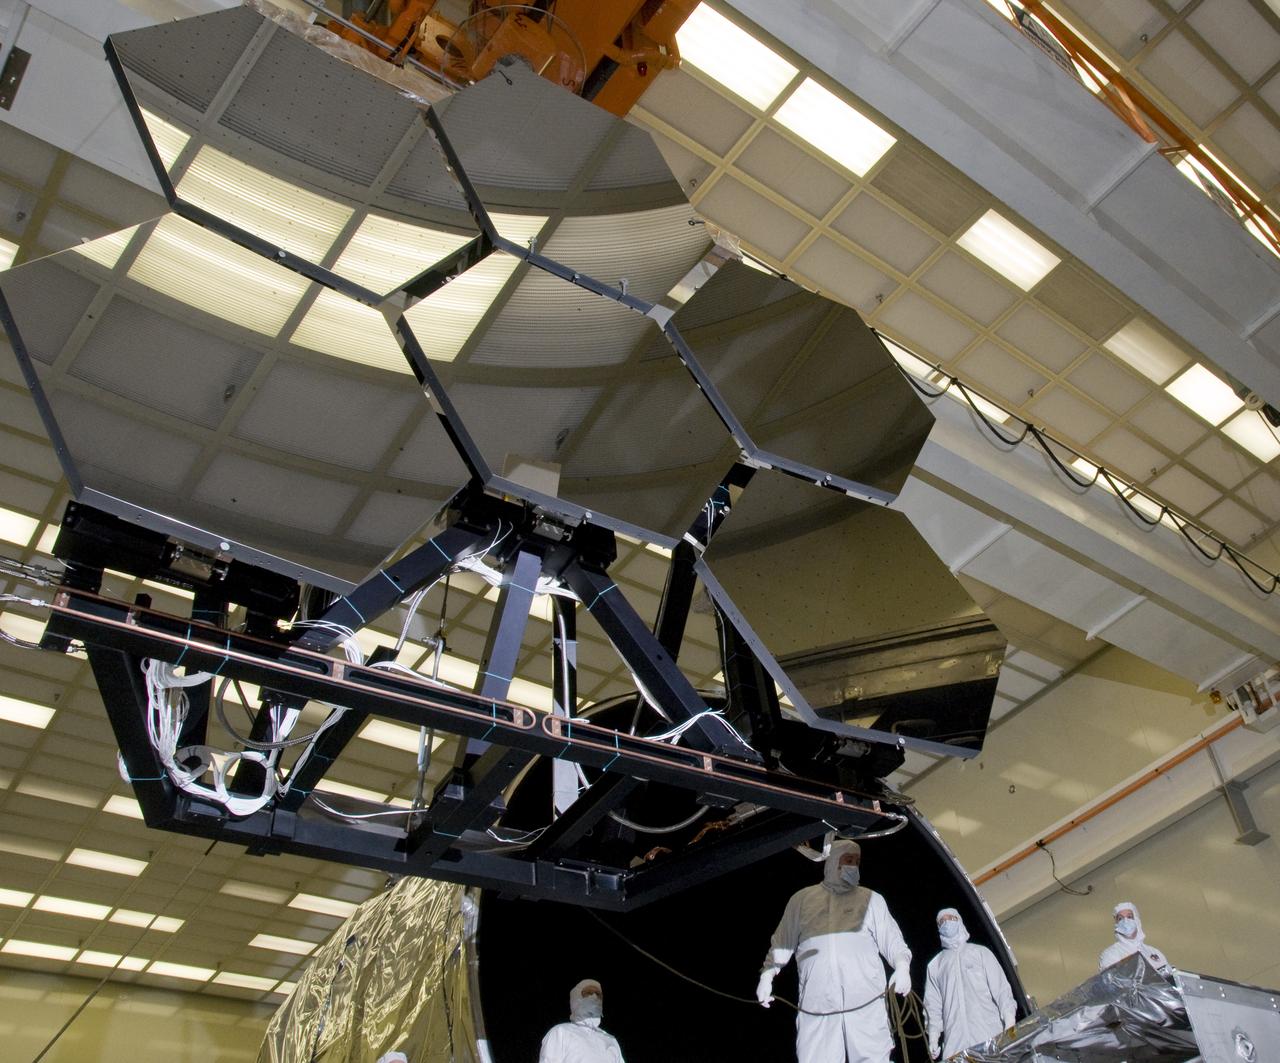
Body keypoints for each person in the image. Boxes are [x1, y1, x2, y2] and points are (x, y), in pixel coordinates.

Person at [756, 839, 912, 1063]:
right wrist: (768, 974)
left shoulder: (871, 900)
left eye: (857, 862)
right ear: (833, 864)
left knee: (874, 1056)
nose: (853, 866)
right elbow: (783, 941)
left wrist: (902, 966)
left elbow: (893, 940)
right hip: (818, 1002)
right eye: (848, 860)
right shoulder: (802, 900)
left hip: (865, 999)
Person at [923, 908, 1016, 1060]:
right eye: (941, 921)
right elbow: (932, 1007)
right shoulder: (935, 966)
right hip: (956, 1044)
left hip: (988, 1035)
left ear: (959, 920)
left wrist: (1010, 1020)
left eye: (950, 918)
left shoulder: (980, 953)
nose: (945, 923)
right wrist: (933, 1038)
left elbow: (1001, 990)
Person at [538, 978, 626, 1063]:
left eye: (598, 994)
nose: (594, 997)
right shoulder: (561, 1033)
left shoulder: (610, 1040)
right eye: (588, 993)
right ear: (576, 998)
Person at [1098, 901, 1172, 974]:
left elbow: (1169, 978)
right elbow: (1110, 981)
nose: (1125, 921)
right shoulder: (1110, 954)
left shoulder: (1154, 952)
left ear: (1137, 921)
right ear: (1116, 925)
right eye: (1120, 918)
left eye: (1129, 917)